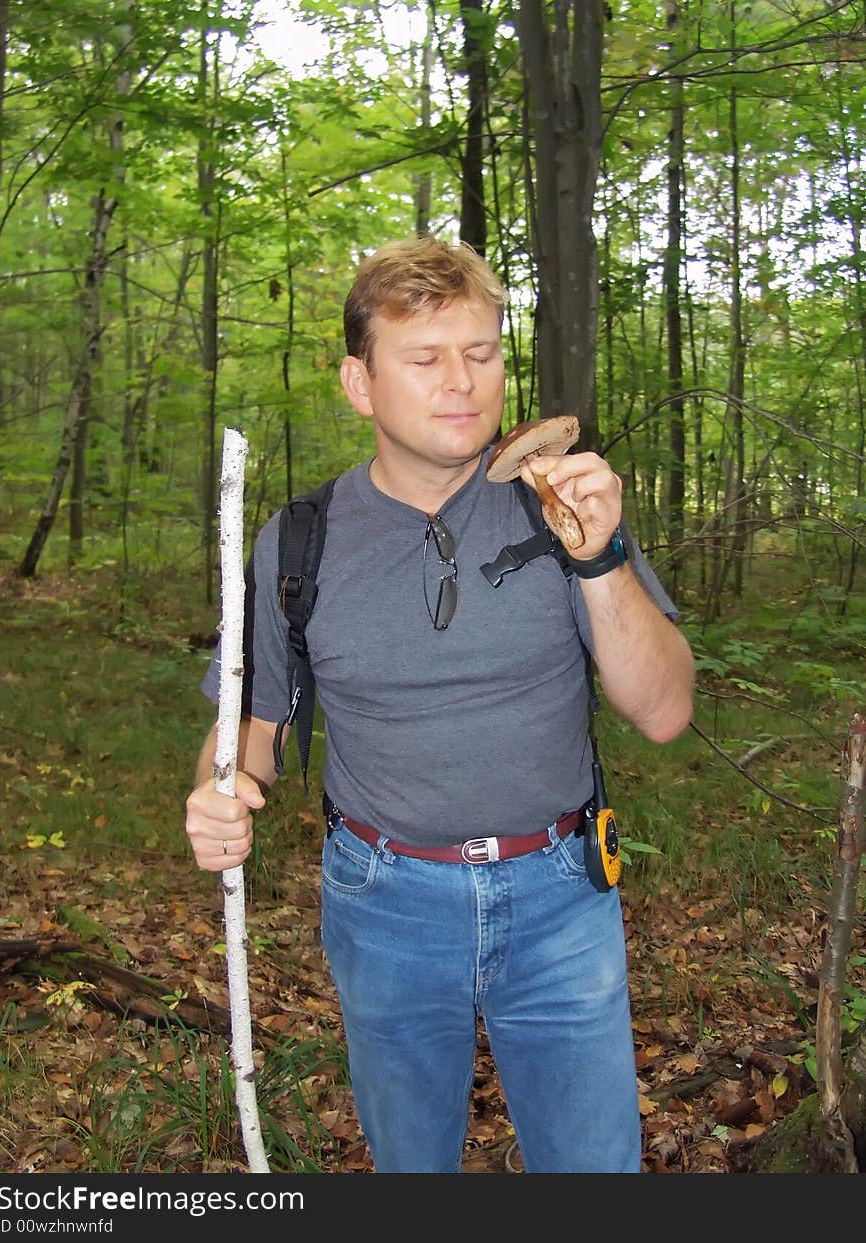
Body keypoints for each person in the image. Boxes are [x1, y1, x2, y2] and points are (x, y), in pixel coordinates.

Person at [185, 236, 694, 1174]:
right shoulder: (300, 541)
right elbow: (248, 738)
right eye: (424, 359)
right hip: (384, 901)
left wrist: (600, 558)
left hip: (561, 897)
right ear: (360, 383)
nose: (462, 382)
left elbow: (663, 710)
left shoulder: (564, 507)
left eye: (483, 354)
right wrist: (218, 799)